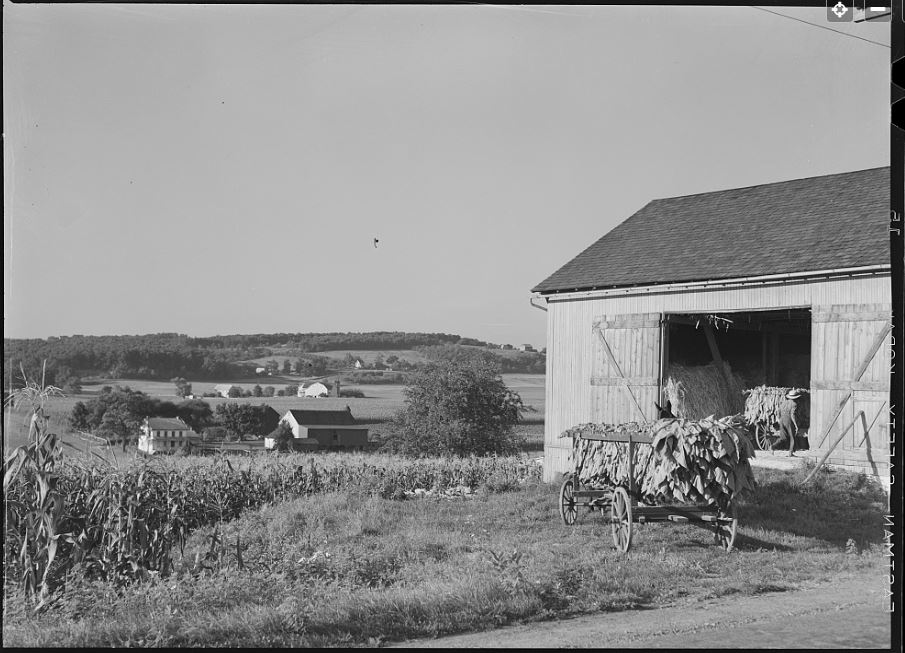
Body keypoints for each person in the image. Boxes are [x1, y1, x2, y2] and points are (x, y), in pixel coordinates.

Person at [772, 389, 801, 456]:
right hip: (788, 420)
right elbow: (792, 415)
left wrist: (779, 419)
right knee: (792, 437)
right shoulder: (794, 404)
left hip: (782, 420)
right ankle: (791, 452)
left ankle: (772, 447)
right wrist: (795, 425)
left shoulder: (783, 403)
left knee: (783, 438)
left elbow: (778, 412)